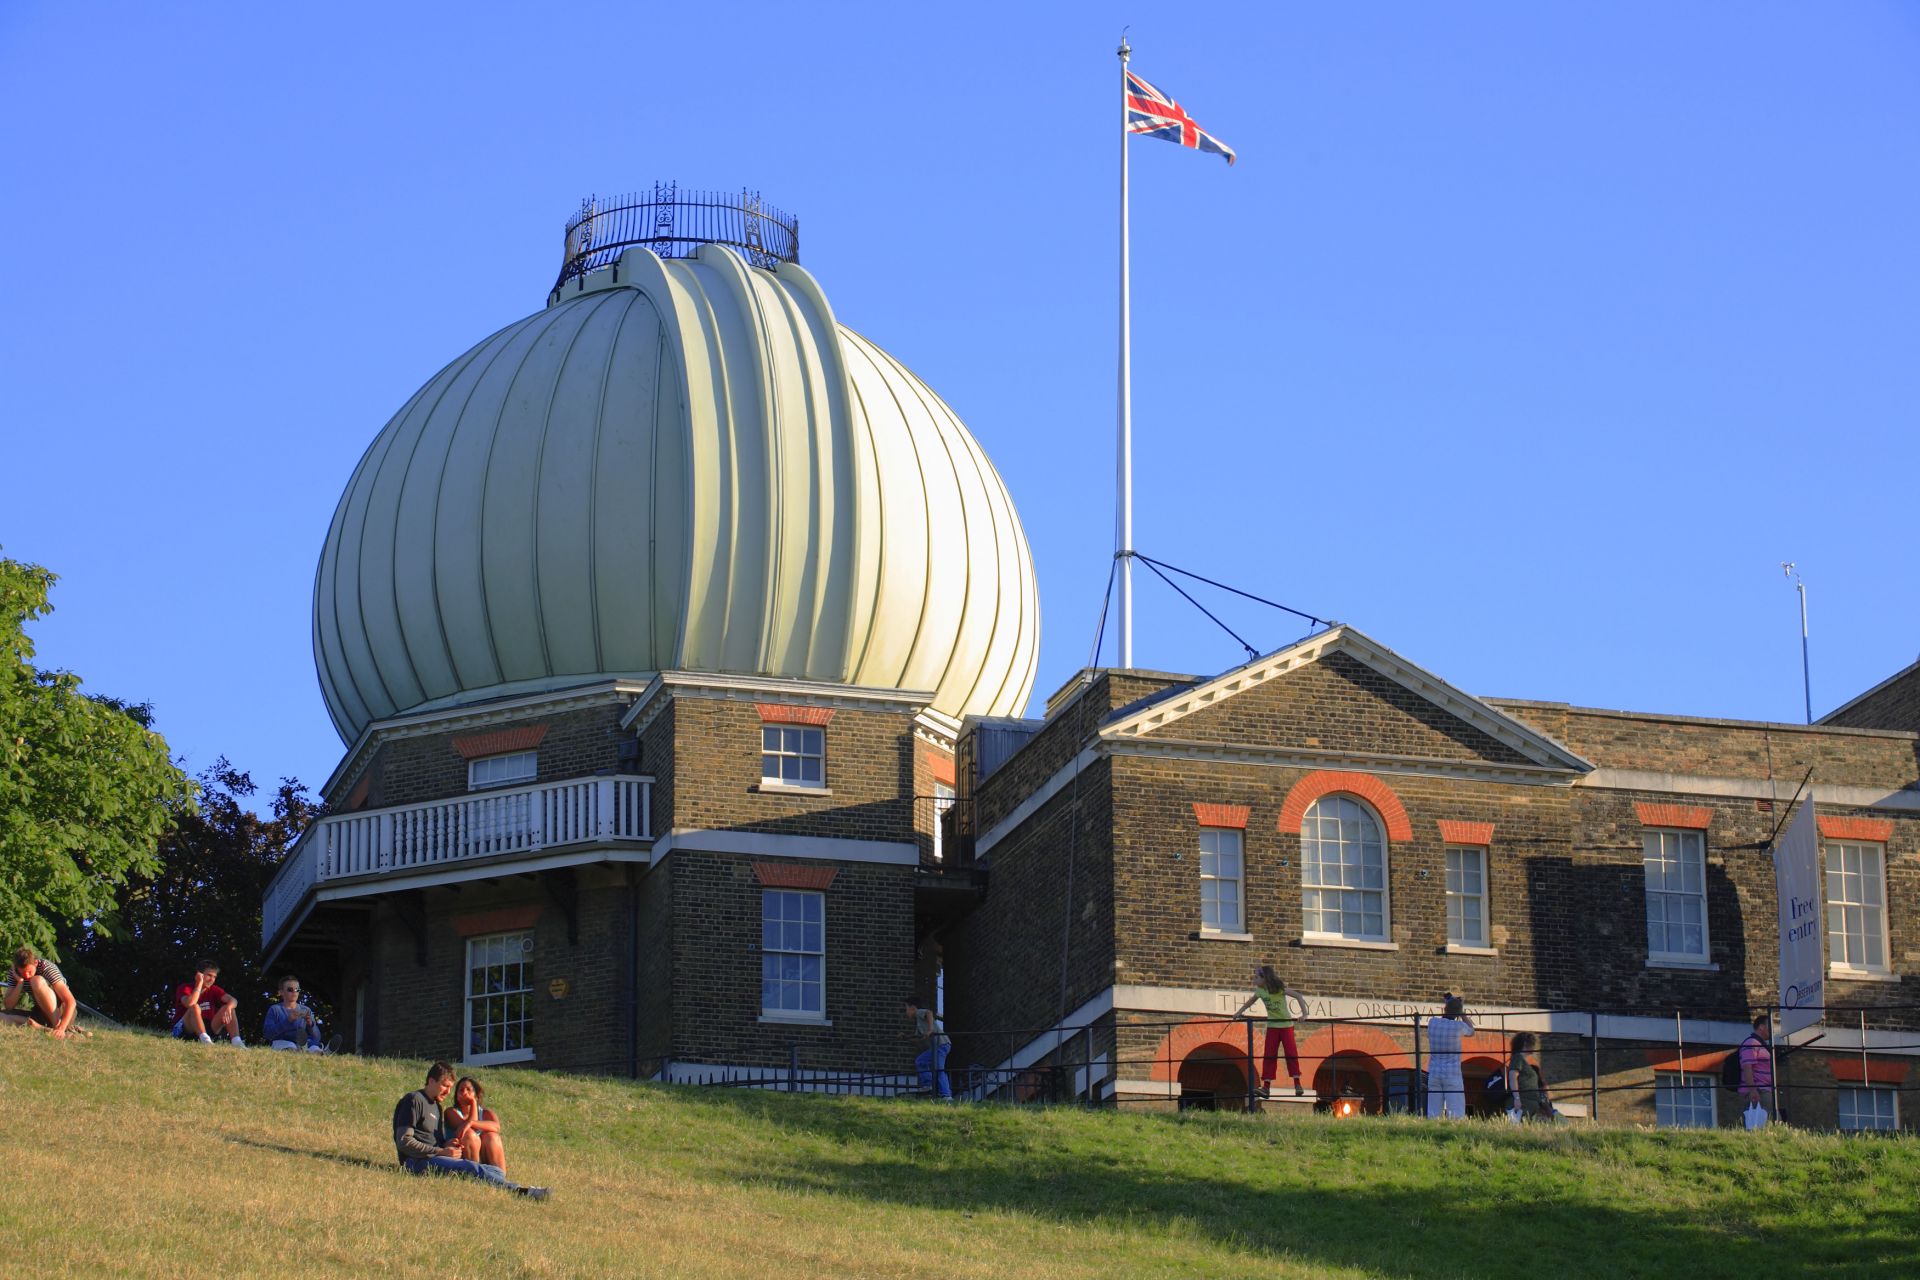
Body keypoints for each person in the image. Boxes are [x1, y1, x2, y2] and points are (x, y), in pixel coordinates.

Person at [393, 1061, 548, 1199]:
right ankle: (519, 1191)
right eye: (444, 1086)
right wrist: (440, 1152)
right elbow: (404, 1141)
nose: (447, 1092)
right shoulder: (413, 1100)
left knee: (490, 1169)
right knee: (469, 1167)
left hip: (434, 1157)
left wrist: (448, 1144)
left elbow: (434, 1140)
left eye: (450, 1088)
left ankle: (505, 1184)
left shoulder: (436, 1107)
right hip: (415, 1162)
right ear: (431, 1081)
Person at [1235, 965, 1307, 1098]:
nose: (1254, 980)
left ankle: (1297, 1084)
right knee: (1269, 1055)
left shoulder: (1278, 989)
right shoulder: (1260, 991)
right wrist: (1239, 1012)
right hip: (1272, 1026)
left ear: (1264, 978)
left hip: (1286, 1025)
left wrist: (1304, 1014)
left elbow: (1298, 996)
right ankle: (1266, 1088)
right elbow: (1250, 1001)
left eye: (1256, 977)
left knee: (1291, 1054)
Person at [1, 946, 79, 1038]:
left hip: (63, 1013)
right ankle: (42, 1028)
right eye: (22, 972)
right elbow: (9, 1006)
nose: (26, 975)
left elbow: (71, 1002)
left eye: (29, 971)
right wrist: (20, 982)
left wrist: (61, 1028)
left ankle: (60, 1028)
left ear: (35, 963)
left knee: (36, 981)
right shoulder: (14, 972)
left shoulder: (46, 967)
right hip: (40, 1013)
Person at [173, 959, 245, 1046]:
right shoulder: (185, 987)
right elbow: (190, 1003)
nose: (212, 979)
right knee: (194, 1007)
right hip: (185, 1029)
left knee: (230, 1008)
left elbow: (234, 1000)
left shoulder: (214, 989)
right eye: (209, 975)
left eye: (214, 977)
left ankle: (237, 1042)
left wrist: (229, 1007)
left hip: (207, 1028)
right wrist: (199, 984)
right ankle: (205, 1039)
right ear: (199, 974)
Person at [1425, 993, 1474, 1119]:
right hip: (1452, 1073)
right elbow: (1471, 1031)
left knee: (1433, 1111)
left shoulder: (1432, 1023)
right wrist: (1462, 1012)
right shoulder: (1458, 1026)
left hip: (1434, 1072)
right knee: (1456, 1110)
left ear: (1445, 1009)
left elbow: (1445, 1015)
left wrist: (1450, 1003)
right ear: (1458, 1014)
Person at [444, 1077, 507, 1173]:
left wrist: (472, 1122)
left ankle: (499, 1176)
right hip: (462, 1157)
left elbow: (496, 1127)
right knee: (469, 1134)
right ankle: (475, 1174)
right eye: (461, 1090)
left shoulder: (486, 1113)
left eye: (469, 1089)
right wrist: (473, 1103)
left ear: (476, 1095)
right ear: (456, 1095)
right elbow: (466, 1130)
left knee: (492, 1136)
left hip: (484, 1156)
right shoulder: (451, 1112)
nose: (464, 1092)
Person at [905, 994, 952, 1100]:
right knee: (920, 1061)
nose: (906, 1012)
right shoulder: (918, 1022)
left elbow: (929, 1013)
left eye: (906, 1008)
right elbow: (917, 1037)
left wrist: (930, 1029)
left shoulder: (919, 1012)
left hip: (942, 1044)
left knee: (939, 1069)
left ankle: (946, 1095)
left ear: (912, 1008)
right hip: (935, 1047)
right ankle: (929, 1084)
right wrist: (905, 1037)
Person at [262, 974, 325, 1052]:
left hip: (304, 1044)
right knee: (291, 1047)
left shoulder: (306, 1010)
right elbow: (267, 1034)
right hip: (282, 1043)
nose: (294, 992)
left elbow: (317, 1037)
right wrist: (287, 1021)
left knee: (315, 1049)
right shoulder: (275, 1009)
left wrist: (310, 1024)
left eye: (297, 989)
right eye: (290, 989)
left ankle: (325, 1051)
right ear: (281, 992)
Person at [1507, 1032, 1552, 1121]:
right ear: (1525, 1043)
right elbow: (1512, 1077)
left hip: (1531, 1105)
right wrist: (1517, 1098)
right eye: (1531, 1043)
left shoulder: (1524, 1061)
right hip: (1523, 1104)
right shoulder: (1518, 1058)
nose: (1533, 1046)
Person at [1738, 1013, 1773, 1121]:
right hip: (1759, 1091)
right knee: (1769, 1123)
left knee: (1770, 1123)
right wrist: (1753, 1090)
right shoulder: (1751, 1043)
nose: (1772, 1031)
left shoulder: (1760, 1045)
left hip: (1764, 1090)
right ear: (1762, 1027)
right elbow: (1747, 1067)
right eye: (1770, 1026)